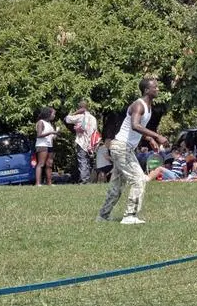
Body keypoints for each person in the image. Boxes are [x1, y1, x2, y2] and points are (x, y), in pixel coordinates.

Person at [98, 78, 168, 224]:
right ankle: (130, 216)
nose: (158, 89)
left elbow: (138, 129)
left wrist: (150, 140)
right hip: (122, 148)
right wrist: (157, 136)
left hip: (123, 148)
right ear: (146, 90)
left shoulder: (148, 106)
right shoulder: (139, 105)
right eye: (155, 87)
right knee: (139, 180)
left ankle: (103, 216)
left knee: (117, 185)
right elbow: (135, 125)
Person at [65, 100, 98, 183]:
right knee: (88, 161)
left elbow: (67, 119)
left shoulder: (80, 116)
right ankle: (88, 178)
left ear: (80, 108)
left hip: (82, 141)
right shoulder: (93, 118)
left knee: (82, 160)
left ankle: (84, 180)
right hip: (91, 142)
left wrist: (75, 112)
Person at [34, 107, 58, 186]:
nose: (54, 116)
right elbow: (39, 135)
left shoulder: (49, 123)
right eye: (53, 114)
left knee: (49, 164)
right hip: (42, 145)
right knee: (41, 164)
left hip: (49, 145)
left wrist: (55, 134)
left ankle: (49, 183)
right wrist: (51, 132)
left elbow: (51, 136)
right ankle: (38, 183)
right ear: (48, 114)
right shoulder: (41, 122)